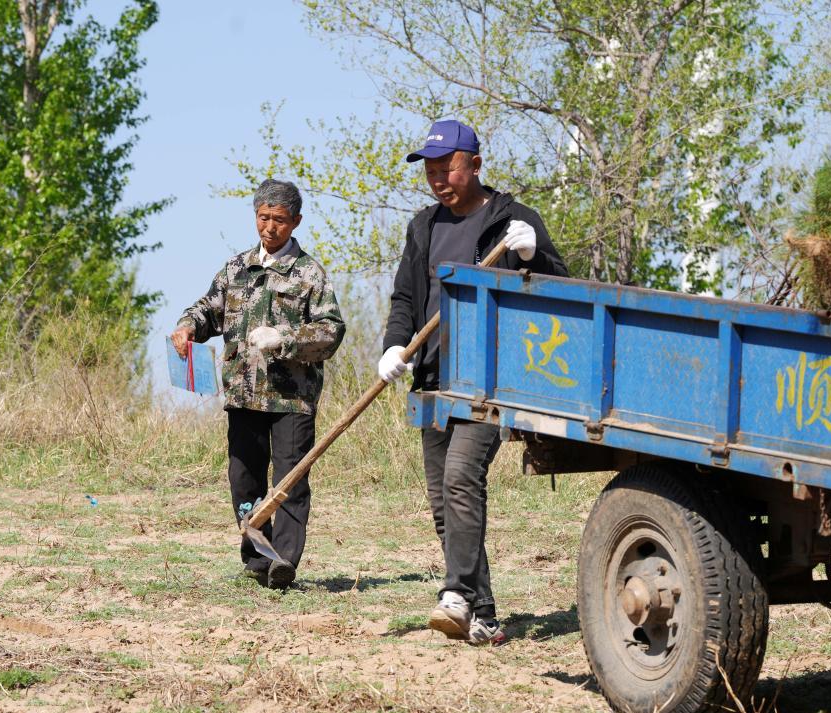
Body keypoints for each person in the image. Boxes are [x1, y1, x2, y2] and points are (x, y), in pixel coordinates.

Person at [378, 120, 568, 644]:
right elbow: (404, 298)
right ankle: (483, 615)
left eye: (447, 169)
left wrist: (534, 258)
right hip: (434, 376)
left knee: (462, 477)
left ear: (475, 165)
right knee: (444, 501)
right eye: (431, 172)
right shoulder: (424, 227)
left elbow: (562, 297)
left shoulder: (512, 222)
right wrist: (394, 346)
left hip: (491, 381)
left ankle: (456, 593)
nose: (439, 180)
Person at [171, 179, 345, 588]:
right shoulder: (236, 268)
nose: (270, 228)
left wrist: (284, 340)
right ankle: (256, 557)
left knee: (289, 482)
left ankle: (284, 563)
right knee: (244, 479)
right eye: (264, 218)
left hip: (291, 401)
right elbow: (207, 310)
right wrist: (187, 326)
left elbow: (331, 331)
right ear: (255, 217)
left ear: (296, 221)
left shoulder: (309, 274)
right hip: (243, 396)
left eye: (280, 221)